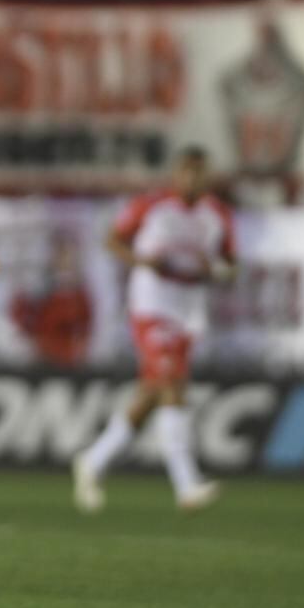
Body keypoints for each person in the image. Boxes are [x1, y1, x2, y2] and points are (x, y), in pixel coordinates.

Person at [71, 147, 236, 513]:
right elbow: (112, 240)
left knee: (151, 393)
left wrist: (217, 270)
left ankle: (93, 461)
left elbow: (231, 266)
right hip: (152, 306)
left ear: (206, 176)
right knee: (173, 383)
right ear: (177, 174)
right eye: (187, 172)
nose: (192, 179)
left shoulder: (218, 214)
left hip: (188, 313)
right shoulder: (153, 206)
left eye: (199, 173)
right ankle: (186, 484)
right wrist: (142, 261)